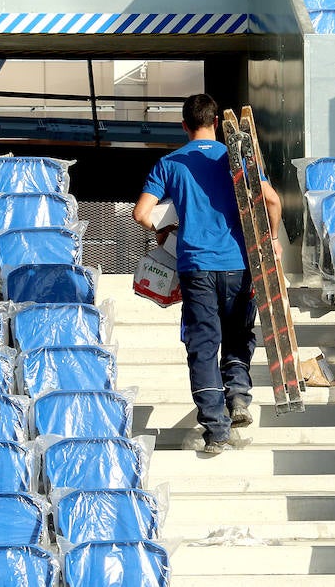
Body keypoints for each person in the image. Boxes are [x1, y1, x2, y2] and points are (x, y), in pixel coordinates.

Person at [132, 93, 282, 455]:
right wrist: (273, 240)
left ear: (184, 126)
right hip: (239, 264)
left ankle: (217, 430)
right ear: (216, 122)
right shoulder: (238, 158)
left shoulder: (168, 163)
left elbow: (141, 213)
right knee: (238, 334)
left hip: (195, 266)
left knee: (202, 345)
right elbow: (272, 201)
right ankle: (240, 398)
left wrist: (165, 232)